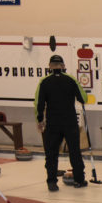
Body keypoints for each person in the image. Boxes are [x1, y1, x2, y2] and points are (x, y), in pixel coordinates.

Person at [35, 55, 87, 192]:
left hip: (53, 123)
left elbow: (39, 103)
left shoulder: (44, 82)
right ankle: (79, 180)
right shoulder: (71, 80)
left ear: (50, 66)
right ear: (63, 66)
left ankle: (52, 182)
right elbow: (83, 98)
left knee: (51, 153)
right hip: (70, 122)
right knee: (74, 152)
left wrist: (40, 119)